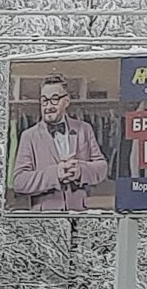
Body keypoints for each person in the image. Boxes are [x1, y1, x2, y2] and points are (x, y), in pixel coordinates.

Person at [12, 74, 108, 212]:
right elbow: (19, 182)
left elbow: (102, 168)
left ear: (67, 101)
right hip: (44, 220)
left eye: (55, 100)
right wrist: (55, 174)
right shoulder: (29, 136)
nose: (48, 106)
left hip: (79, 215)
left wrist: (81, 171)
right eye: (44, 101)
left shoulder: (84, 129)